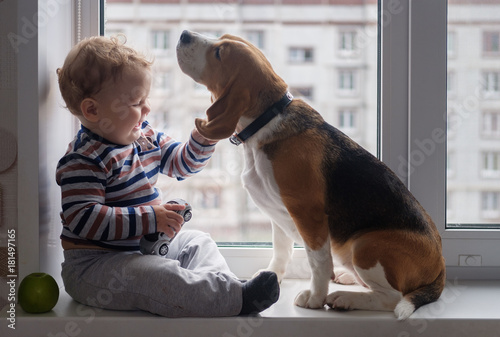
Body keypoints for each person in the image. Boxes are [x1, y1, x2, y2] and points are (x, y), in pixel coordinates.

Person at [55, 35, 279, 318]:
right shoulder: (83, 158)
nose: (147, 109)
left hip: (143, 249)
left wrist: (204, 137)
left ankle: (225, 291)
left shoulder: (144, 137)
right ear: (92, 110)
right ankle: (233, 299)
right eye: (137, 102)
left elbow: (182, 164)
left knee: (198, 242)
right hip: (96, 265)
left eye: (145, 99)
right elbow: (85, 218)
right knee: (157, 275)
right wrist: (152, 217)